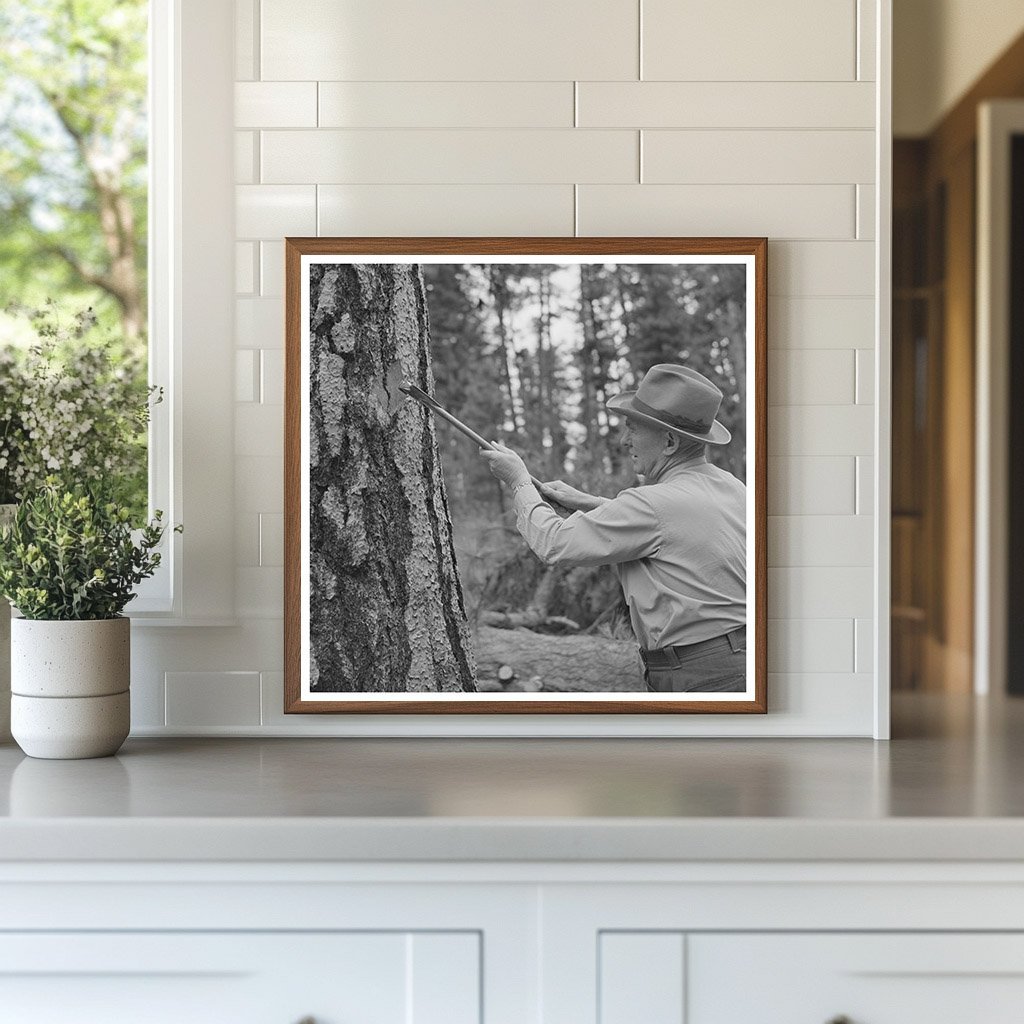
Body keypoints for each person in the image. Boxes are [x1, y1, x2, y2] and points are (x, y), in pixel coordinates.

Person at [480, 363, 746, 693]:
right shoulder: (732, 488)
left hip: (699, 675)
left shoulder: (652, 503)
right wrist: (589, 502)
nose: (623, 440)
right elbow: (674, 529)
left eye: (633, 429)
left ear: (669, 442)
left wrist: (519, 481)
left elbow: (554, 544)